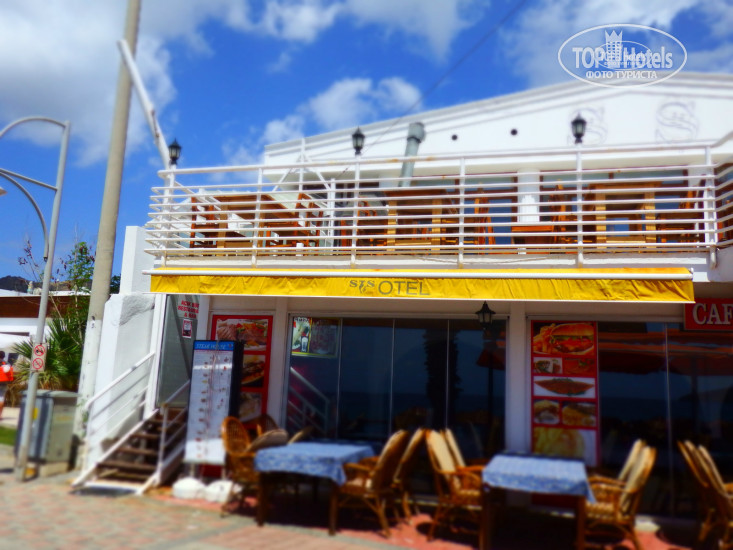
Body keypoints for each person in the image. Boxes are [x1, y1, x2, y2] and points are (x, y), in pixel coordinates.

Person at [0, 351, 13, 418]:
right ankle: (0, 415)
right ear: (4, 356)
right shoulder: (7, 363)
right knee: (1, 398)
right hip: (4, 383)